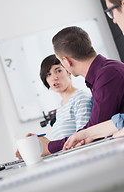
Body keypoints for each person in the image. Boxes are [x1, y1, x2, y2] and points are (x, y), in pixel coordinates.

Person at [29, 26, 124, 156]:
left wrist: (50, 146)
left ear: (66, 62)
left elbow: (94, 129)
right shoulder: (103, 74)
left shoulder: (107, 75)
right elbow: (91, 130)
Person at [61, 0, 124, 149]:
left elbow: (101, 122)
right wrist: (85, 134)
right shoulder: (101, 75)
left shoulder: (108, 73)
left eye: (111, 11)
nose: (114, 20)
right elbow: (120, 120)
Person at [39, 55, 92, 140]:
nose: (54, 78)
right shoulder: (61, 106)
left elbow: (83, 138)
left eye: (58, 71)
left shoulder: (80, 98)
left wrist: (49, 146)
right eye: (48, 74)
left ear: (69, 72)